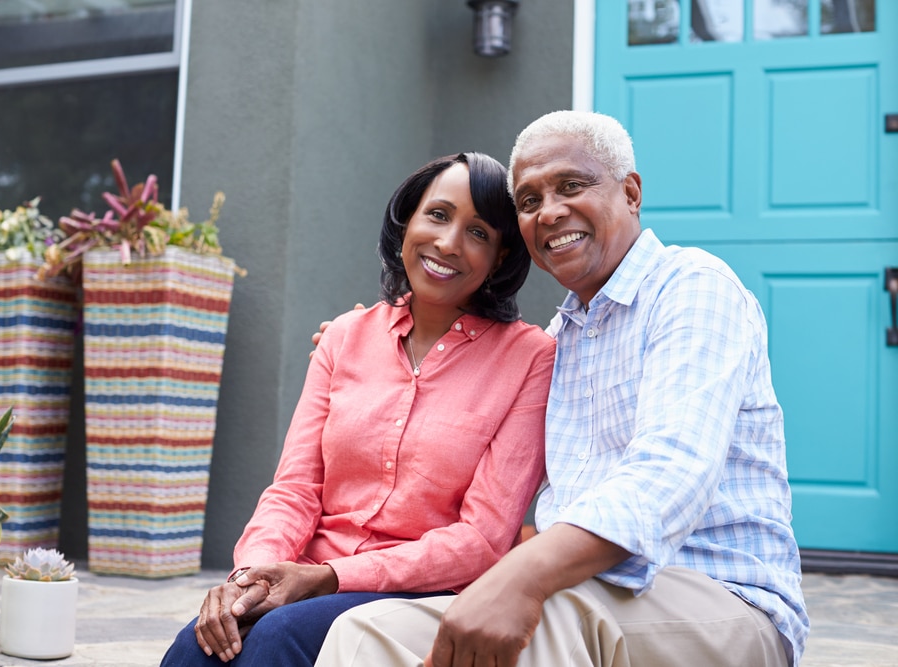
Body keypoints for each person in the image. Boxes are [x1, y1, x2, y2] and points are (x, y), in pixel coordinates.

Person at [314, 110, 810, 667]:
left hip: (720, 596)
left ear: (630, 192)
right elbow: (451, 413)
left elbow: (669, 474)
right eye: (528, 201)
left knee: (546, 624)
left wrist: (522, 577)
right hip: (585, 589)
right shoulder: (558, 341)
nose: (549, 212)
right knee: (366, 633)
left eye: (571, 186)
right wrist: (371, 346)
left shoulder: (692, 287)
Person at [159, 152, 555, 667]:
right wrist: (252, 576)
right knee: (199, 643)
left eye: (478, 233)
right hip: (308, 571)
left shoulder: (529, 358)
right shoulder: (344, 337)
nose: (449, 243)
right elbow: (296, 488)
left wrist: (330, 578)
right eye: (437, 215)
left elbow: (481, 539)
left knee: (279, 638)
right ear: (408, 219)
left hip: (423, 590)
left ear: (501, 257)